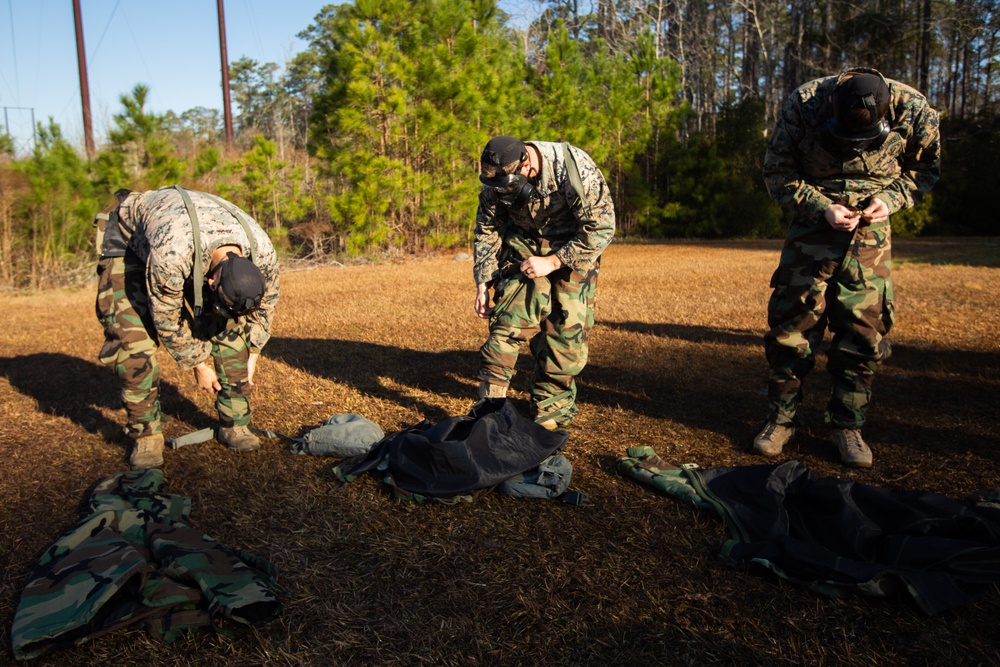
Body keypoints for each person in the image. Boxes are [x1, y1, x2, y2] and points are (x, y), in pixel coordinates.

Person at [754, 67, 941, 468]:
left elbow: (923, 172)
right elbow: (777, 172)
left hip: (870, 234)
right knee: (792, 325)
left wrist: (890, 200)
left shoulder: (916, 110)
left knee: (863, 330)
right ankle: (781, 419)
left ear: (888, 113)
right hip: (812, 226)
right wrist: (822, 208)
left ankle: (847, 426)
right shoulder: (805, 104)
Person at [94, 186, 280, 469]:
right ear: (210, 283)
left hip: (190, 236)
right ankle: (146, 434)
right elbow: (166, 317)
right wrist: (197, 363)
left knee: (234, 329)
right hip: (129, 242)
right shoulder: (173, 255)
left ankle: (235, 423)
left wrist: (253, 351)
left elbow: (266, 306)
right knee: (134, 343)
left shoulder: (262, 252)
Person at [473, 136, 615, 429]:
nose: (499, 190)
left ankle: (551, 408)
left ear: (526, 165)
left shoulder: (574, 170)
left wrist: (552, 262)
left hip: (575, 245)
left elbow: (602, 227)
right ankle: (489, 407)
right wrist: (483, 281)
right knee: (509, 319)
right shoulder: (495, 178)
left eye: (506, 184)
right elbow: (487, 228)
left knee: (566, 331)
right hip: (524, 241)